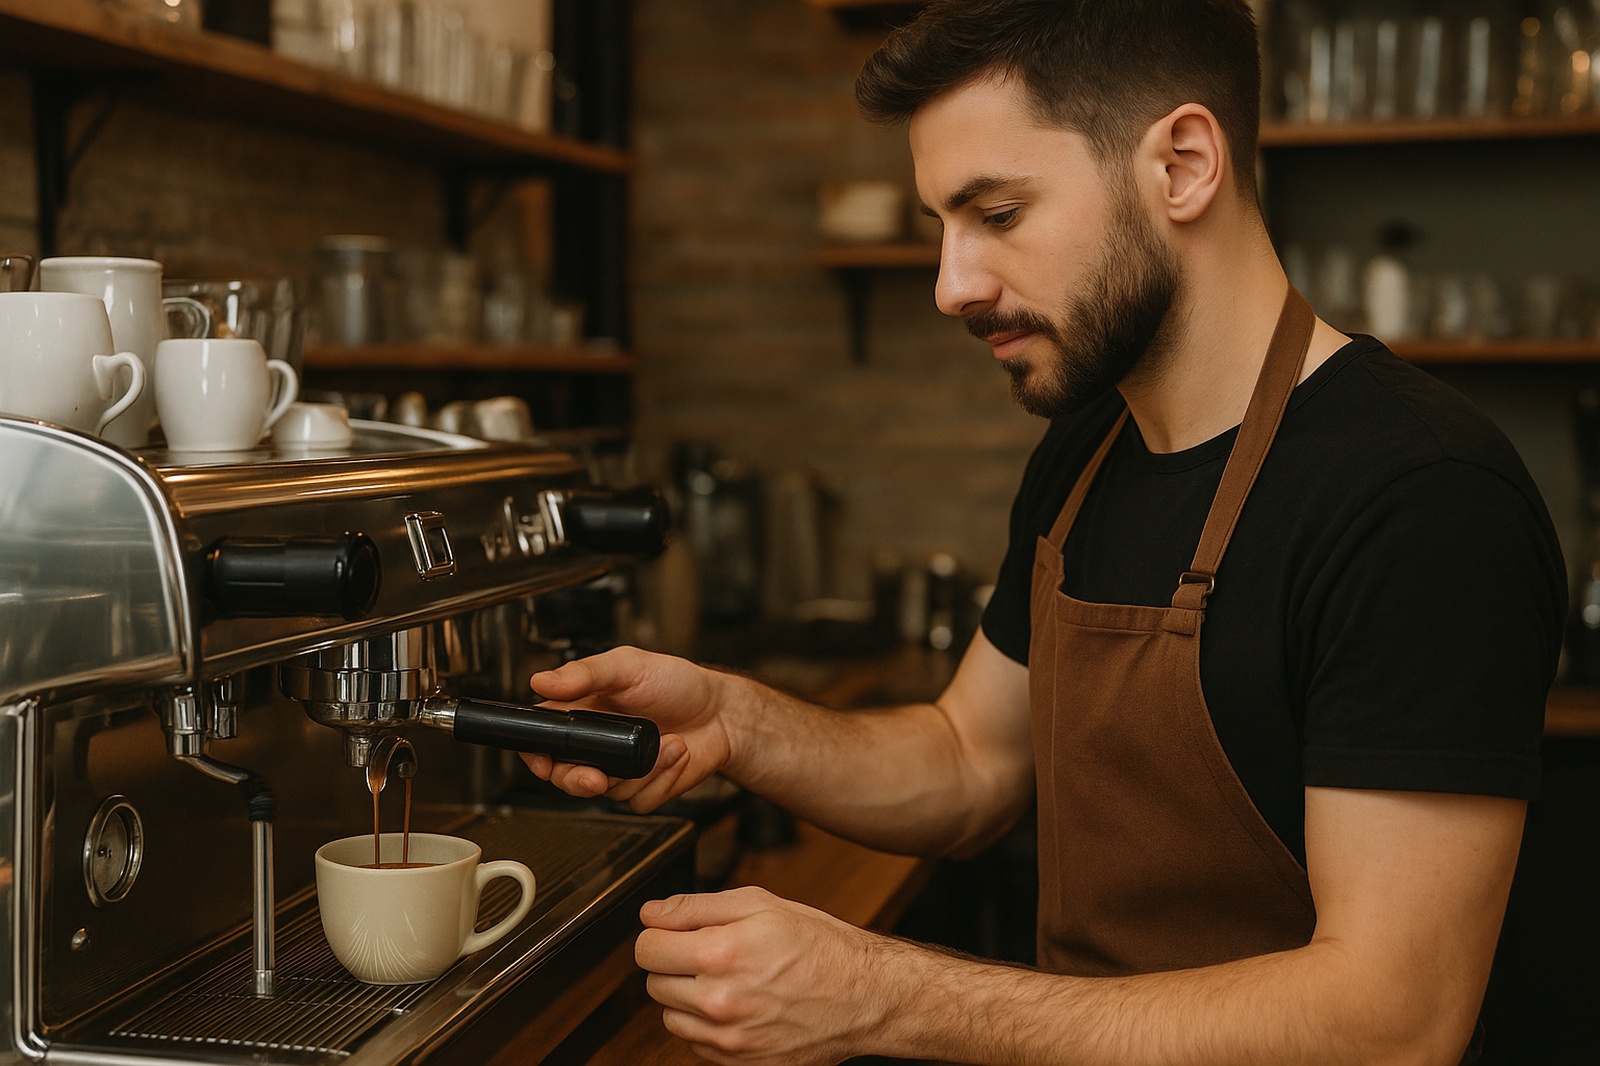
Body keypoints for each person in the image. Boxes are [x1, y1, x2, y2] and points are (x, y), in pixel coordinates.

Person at [524, 2, 1566, 1063]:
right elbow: (971, 758)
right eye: (942, 223)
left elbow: (1391, 1023)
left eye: (998, 213)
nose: (950, 285)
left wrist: (887, 993)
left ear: (1183, 164)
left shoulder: (1420, 499)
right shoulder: (1085, 454)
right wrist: (735, 721)